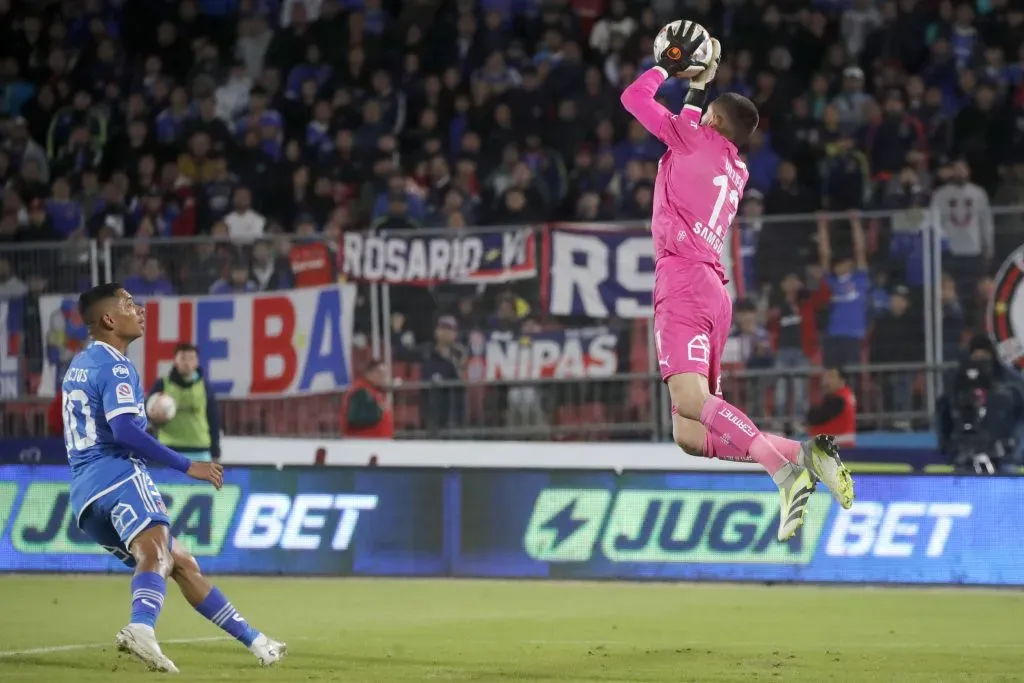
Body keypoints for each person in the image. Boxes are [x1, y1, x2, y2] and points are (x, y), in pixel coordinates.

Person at [620, 21, 854, 542]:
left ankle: (782, 471)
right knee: (689, 433)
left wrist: (670, 66)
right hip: (713, 290)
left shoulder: (691, 138)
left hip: (680, 280)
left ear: (711, 120)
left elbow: (633, 97)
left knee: (687, 400)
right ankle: (805, 454)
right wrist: (701, 87)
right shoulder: (734, 164)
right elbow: (689, 125)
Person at [61, 283, 284, 672]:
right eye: (129, 303)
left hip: (85, 495)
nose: (140, 309)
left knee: (181, 562)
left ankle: (258, 642)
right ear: (109, 318)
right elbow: (125, 432)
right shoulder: (116, 365)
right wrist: (187, 465)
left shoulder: (79, 365)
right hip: (119, 475)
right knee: (157, 554)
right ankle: (141, 628)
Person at [149, 343, 221, 462]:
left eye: (191, 358)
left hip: (200, 451)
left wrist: (215, 451)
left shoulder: (205, 387)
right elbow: (146, 412)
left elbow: (213, 419)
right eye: (183, 358)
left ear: (197, 362)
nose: (187, 363)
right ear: (175, 360)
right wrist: (153, 417)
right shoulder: (162, 384)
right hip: (168, 449)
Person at [339, 359, 395, 439]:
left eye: (385, 374)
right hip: (365, 442)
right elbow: (356, 418)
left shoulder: (373, 391)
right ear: (369, 373)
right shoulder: (361, 392)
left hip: (376, 442)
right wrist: (379, 410)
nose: (383, 377)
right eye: (380, 373)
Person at [807, 367, 857, 447]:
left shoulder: (838, 399)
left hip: (835, 446)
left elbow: (816, 418)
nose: (827, 381)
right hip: (840, 444)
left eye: (832, 377)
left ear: (842, 380)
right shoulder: (846, 395)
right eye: (827, 377)